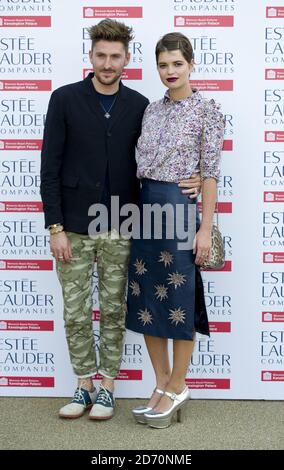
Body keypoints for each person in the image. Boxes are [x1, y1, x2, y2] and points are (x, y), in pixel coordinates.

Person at [40, 20, 201, 420]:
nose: (108, 63)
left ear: (127, 59)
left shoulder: (141, 105)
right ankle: (83, 385)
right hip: (74, 226)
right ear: (91, 57)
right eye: (101, 55)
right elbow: (50, 168)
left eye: (115, 56)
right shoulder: (64, 99)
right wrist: (55, 226)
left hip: (122, 222)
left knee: (114, 309)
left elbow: (155, 158)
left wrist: (194, 176)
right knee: (75, 310)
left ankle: (108, 387)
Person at [126, 32, 224, 429]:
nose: (170, 71)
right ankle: (161, 383)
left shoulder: (208, 110)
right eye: (163, 64)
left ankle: (179, 383)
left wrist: (205, 228)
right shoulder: (151, 110)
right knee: (147, 300)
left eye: (177, 64)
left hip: (180, 212)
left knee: (180, 298)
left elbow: (212, 174)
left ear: (191, 64)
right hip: (145, 210)